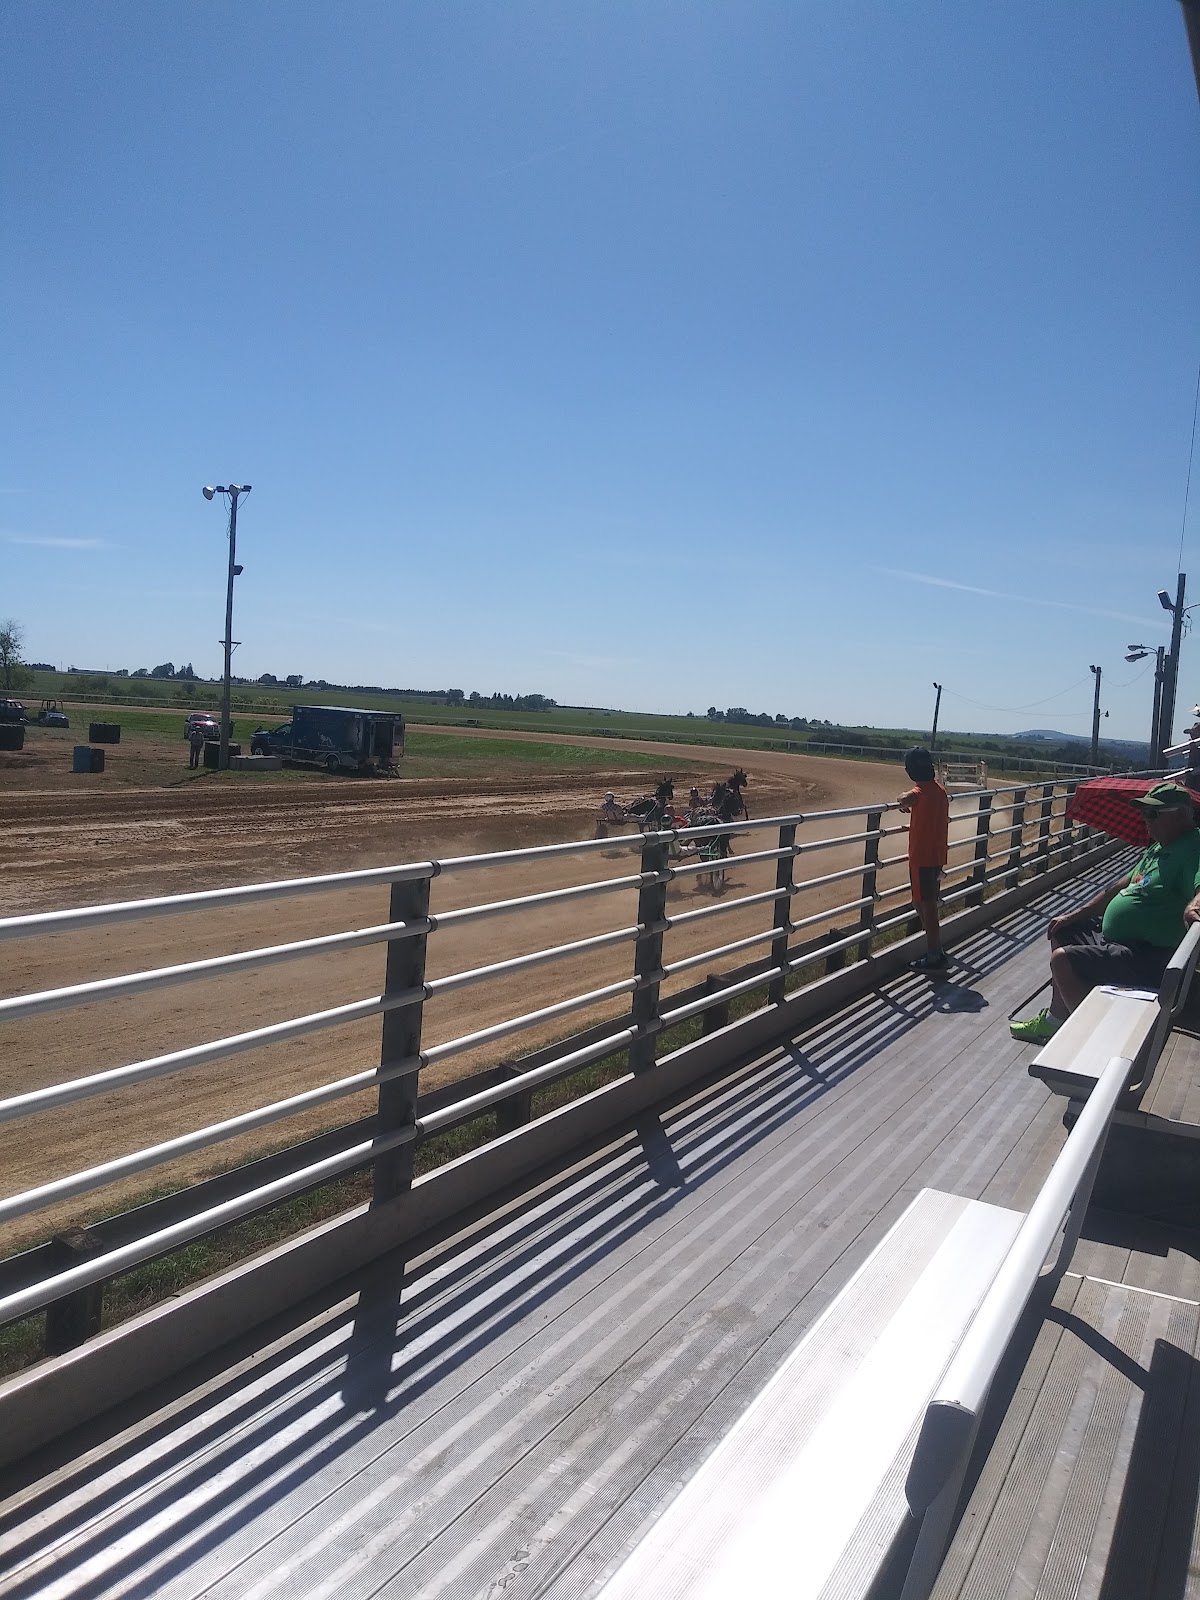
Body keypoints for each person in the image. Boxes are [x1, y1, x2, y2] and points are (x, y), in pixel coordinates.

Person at [1011, 782, 1200, 1044]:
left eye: (1154, 814)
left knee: (1062, 960)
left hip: (1147, 955)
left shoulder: (1193, 847)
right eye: (1144, 814)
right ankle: (1058, 1019)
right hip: (1121, 942)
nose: (1146, 820)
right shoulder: (1159, 846)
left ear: (1180, 815)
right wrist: (1077, 914)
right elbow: (1122, 885)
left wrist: (1194, 905)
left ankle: (1090, 1040)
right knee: (1061, 930)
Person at [896, 746, 950, 973]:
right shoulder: (939, 791)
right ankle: (934, 949)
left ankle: (934, 953)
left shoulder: (920, 792)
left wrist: (903, 800)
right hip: (936, 855)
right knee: (925, 903)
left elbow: (905, 798)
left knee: (925, 905)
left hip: (922, 857)